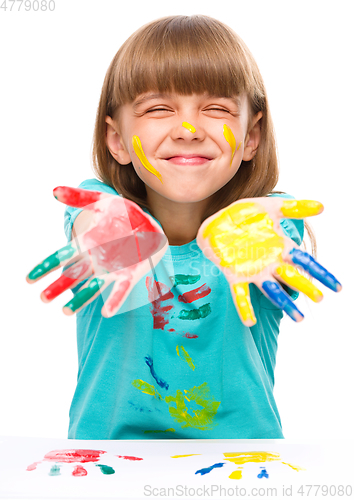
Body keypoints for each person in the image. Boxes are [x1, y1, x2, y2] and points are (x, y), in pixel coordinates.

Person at [27, 15, 341, 439]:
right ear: (117, 140)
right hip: (111, 469)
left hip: (242, 471)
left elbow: (278, 234)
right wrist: (110, 236)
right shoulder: (102, 211)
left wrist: (259, 238)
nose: (188, 130)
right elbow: (91, 220)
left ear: (251, 137)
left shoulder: (263, 225)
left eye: (216, 109)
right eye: (158, 109)